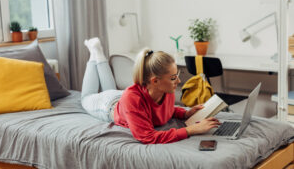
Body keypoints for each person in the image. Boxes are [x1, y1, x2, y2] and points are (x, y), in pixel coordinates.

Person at [81, 37, 220, 144]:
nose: (178, 81)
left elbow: (165, 110)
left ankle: (97, 52)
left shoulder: (166, 91)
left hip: (124, 100)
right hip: (107, 106)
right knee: (85, 98)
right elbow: (147, 137)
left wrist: (186, 114)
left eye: (177, 75)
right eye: (173, 77)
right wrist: (190, 130)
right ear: (155, 81)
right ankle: (94, 53)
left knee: (109, 89)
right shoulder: (133, 98)